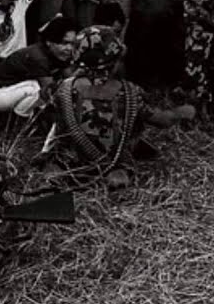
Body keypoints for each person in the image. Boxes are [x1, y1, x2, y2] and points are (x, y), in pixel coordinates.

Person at [41, 26, 194, 189]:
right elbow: (162, 120)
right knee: (122, 167)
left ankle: (55, 177)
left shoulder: (62, 89)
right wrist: (183, 112)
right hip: (113, 161)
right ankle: (116, 179)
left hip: (71, 161)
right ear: (115, 61)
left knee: (55, 163)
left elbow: (43, 112)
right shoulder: (130, 92)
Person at [0, 16, 78, 117]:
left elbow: (70, 79)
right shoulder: (38, 56)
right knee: (37, 89)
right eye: (64, 43)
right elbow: (50, 91)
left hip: (16, 90)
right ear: (49, 42)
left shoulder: (60, 53)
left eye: (72, 44)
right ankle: (19, 119)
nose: (69, 48)